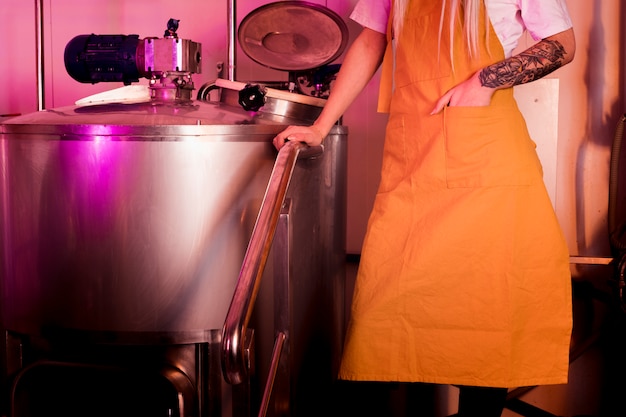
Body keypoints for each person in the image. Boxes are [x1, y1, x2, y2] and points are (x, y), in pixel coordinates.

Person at [273, 0, 576, 416]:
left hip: (486, 161)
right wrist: (321, 126)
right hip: (413, 163)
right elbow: (371, 42)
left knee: (485, 312)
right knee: (381, 319)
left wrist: (485, 81)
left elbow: (563, 43)